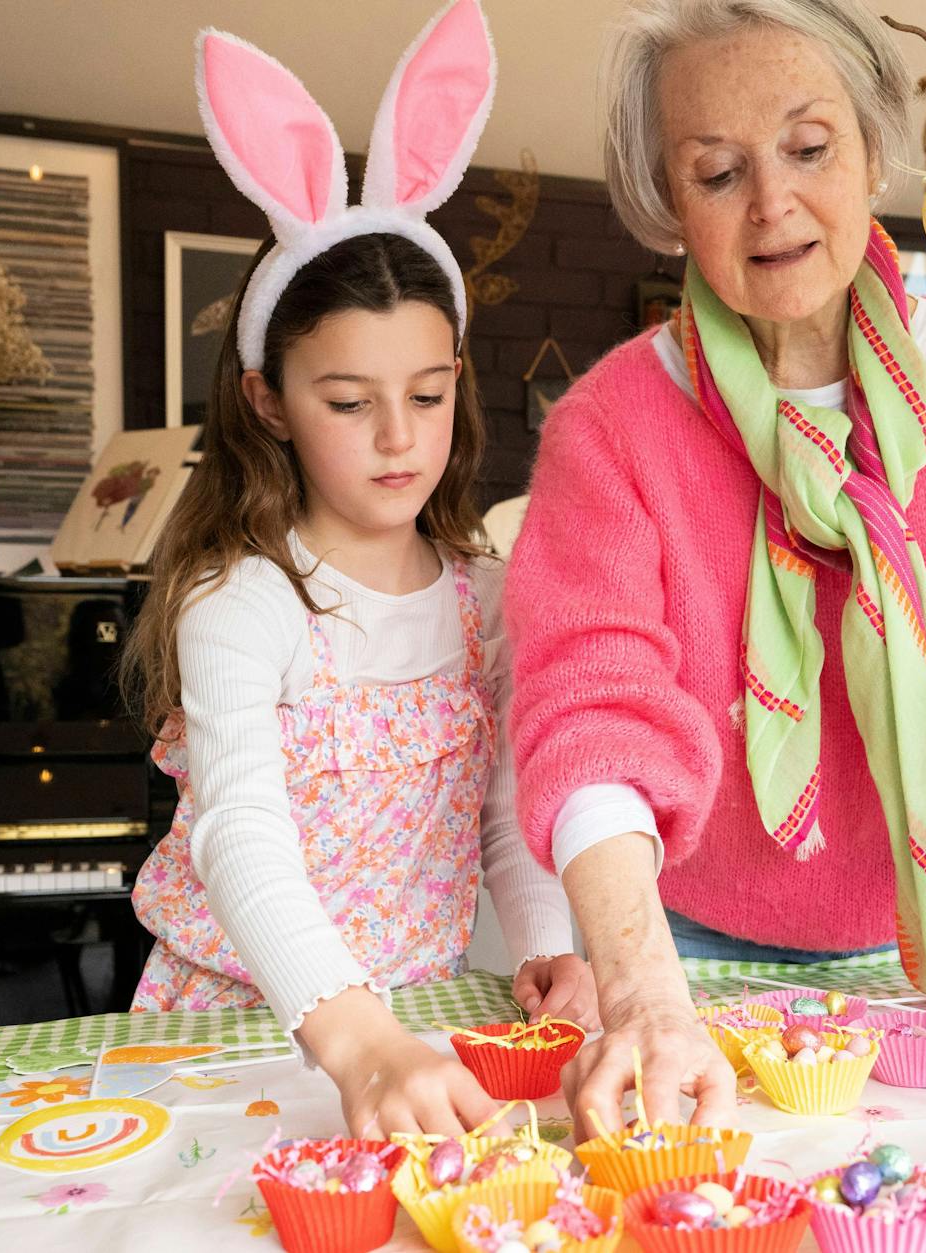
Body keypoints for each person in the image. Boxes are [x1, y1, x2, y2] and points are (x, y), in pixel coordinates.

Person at [507, 0, 926, 1137]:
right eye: (715, 172)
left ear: (873, 151)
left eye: (809, 150)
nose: (771, 204)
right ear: (665, 201)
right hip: (684, 952)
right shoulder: (611, 424)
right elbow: (589, 706)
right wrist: (643, 990)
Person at [122, 1, 595, 1138]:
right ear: (266, 401)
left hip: (416, 1022)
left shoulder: (479, 596)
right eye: (348, 402)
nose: (399, 437)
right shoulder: (242, 600)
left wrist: (547, 947)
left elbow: (503, 813)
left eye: (426, 394)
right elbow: (242, 832)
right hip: (237, 1029)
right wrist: (353, 1036)